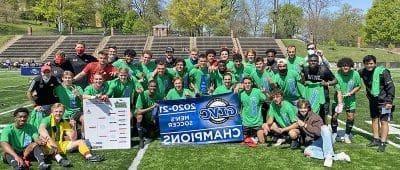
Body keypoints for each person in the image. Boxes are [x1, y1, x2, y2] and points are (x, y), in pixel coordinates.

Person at [39, 104, 104, 166]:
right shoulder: (47, 119)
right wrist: (51, 141)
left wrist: (73, 127)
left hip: (60, 144)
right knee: (46, 141)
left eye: (61, 112)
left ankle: (89, 157)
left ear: (64, 112)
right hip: (47, 146)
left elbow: (73, 138)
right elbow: (41, 129)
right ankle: (60, 159)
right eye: (56, 111)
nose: (58, 113)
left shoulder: (64, 121)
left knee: (81, 141)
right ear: (52, 112)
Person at [297, 100, 351, 168]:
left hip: (324, 139)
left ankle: (328, 157)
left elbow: (318, 132)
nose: (303, 113)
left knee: (325, 128)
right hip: (314, 142)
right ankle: (339, 156)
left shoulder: (315, 117)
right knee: (307, 151)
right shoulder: (298, 116)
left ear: (308, 108)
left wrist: (305, 125)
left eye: (304, 111)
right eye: (301, 111)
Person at [359, 55, 395, 152]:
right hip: (373, 100)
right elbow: (353, 75)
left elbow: (391, 87)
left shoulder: (383, 72)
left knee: (384, 121)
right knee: (374, 119)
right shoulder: (363, 72)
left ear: (375, 63)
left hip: (384, 101)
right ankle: (375, 139)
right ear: (364, 64)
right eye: (367, 64)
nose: (369, 66)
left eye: (371, 63)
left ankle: (382, 142)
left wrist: (389, 101)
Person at [331, 58, 361, 144]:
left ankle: (347, 135)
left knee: (350, 117)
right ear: (340, 66)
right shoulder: (337, 75)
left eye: (347, 65)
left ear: (350, 66)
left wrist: (351, 93)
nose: (345, 67)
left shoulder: (355, 74)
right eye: (343, 65)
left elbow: (358, 86)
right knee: (334, 116)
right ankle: (334, 134)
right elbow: (338, 91)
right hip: (338, 99)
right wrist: (340, 104)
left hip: (350, 100)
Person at [301, 54, 336, 124]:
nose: (313, 62)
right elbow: (302, 82)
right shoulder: (305, 69)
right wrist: (304, 81)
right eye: (311, 61)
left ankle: (325, 129)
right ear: (308, 61)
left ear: (318, 62)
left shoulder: (324, 69)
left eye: (315, 61)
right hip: (311, 95)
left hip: (323, 94)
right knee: (309, 112)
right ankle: (311, 128)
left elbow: (335, 80)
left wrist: (327, 84)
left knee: (324, 114)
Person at [238, 77, 268, 145]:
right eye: (245, 83)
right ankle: (252, 137)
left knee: (262, 141)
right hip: (246, 123)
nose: (247, 85)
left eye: (249, 83)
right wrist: (236, 88)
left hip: (257, 122)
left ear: (251, 84)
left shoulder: (257, 91)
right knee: (242, 142)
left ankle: (256, 136)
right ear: (243, 84)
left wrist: (265, 92)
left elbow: (267, 99)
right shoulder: (240, 93)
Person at [135, 80, 162, 148]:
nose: (153, 88)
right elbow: (138, 111)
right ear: (148, 87)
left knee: (152, 135)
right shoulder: (142, 95)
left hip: (153, 119)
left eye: (154, 86)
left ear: (157, 87)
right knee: (139, 116)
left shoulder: (158, 95)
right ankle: (141, 139)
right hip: (145, 118)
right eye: (151, 86)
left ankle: (154, 131)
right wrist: (151, 108)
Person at [250, 57, 275, 122]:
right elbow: (249, 82)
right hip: (259, 98)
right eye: (257, 64)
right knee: (260, 116)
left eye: (260, 64)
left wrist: (271, 82)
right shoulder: (253, 74)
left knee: (269, 116)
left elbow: (274, 86)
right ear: (255, 65)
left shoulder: (269, 72)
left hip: (269, 97)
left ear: (263, 64)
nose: (259, 65)